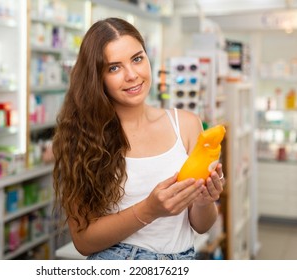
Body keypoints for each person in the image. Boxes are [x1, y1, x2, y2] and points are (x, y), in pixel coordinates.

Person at [52, 17, 225, 260]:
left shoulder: (186, 124)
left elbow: (201, 225)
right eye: (114, 67)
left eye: (137, 58)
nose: (132, 75)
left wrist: (206, 200)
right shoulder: (83, 138)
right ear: (97, 77)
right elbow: (83, 241)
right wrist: (149, 210)